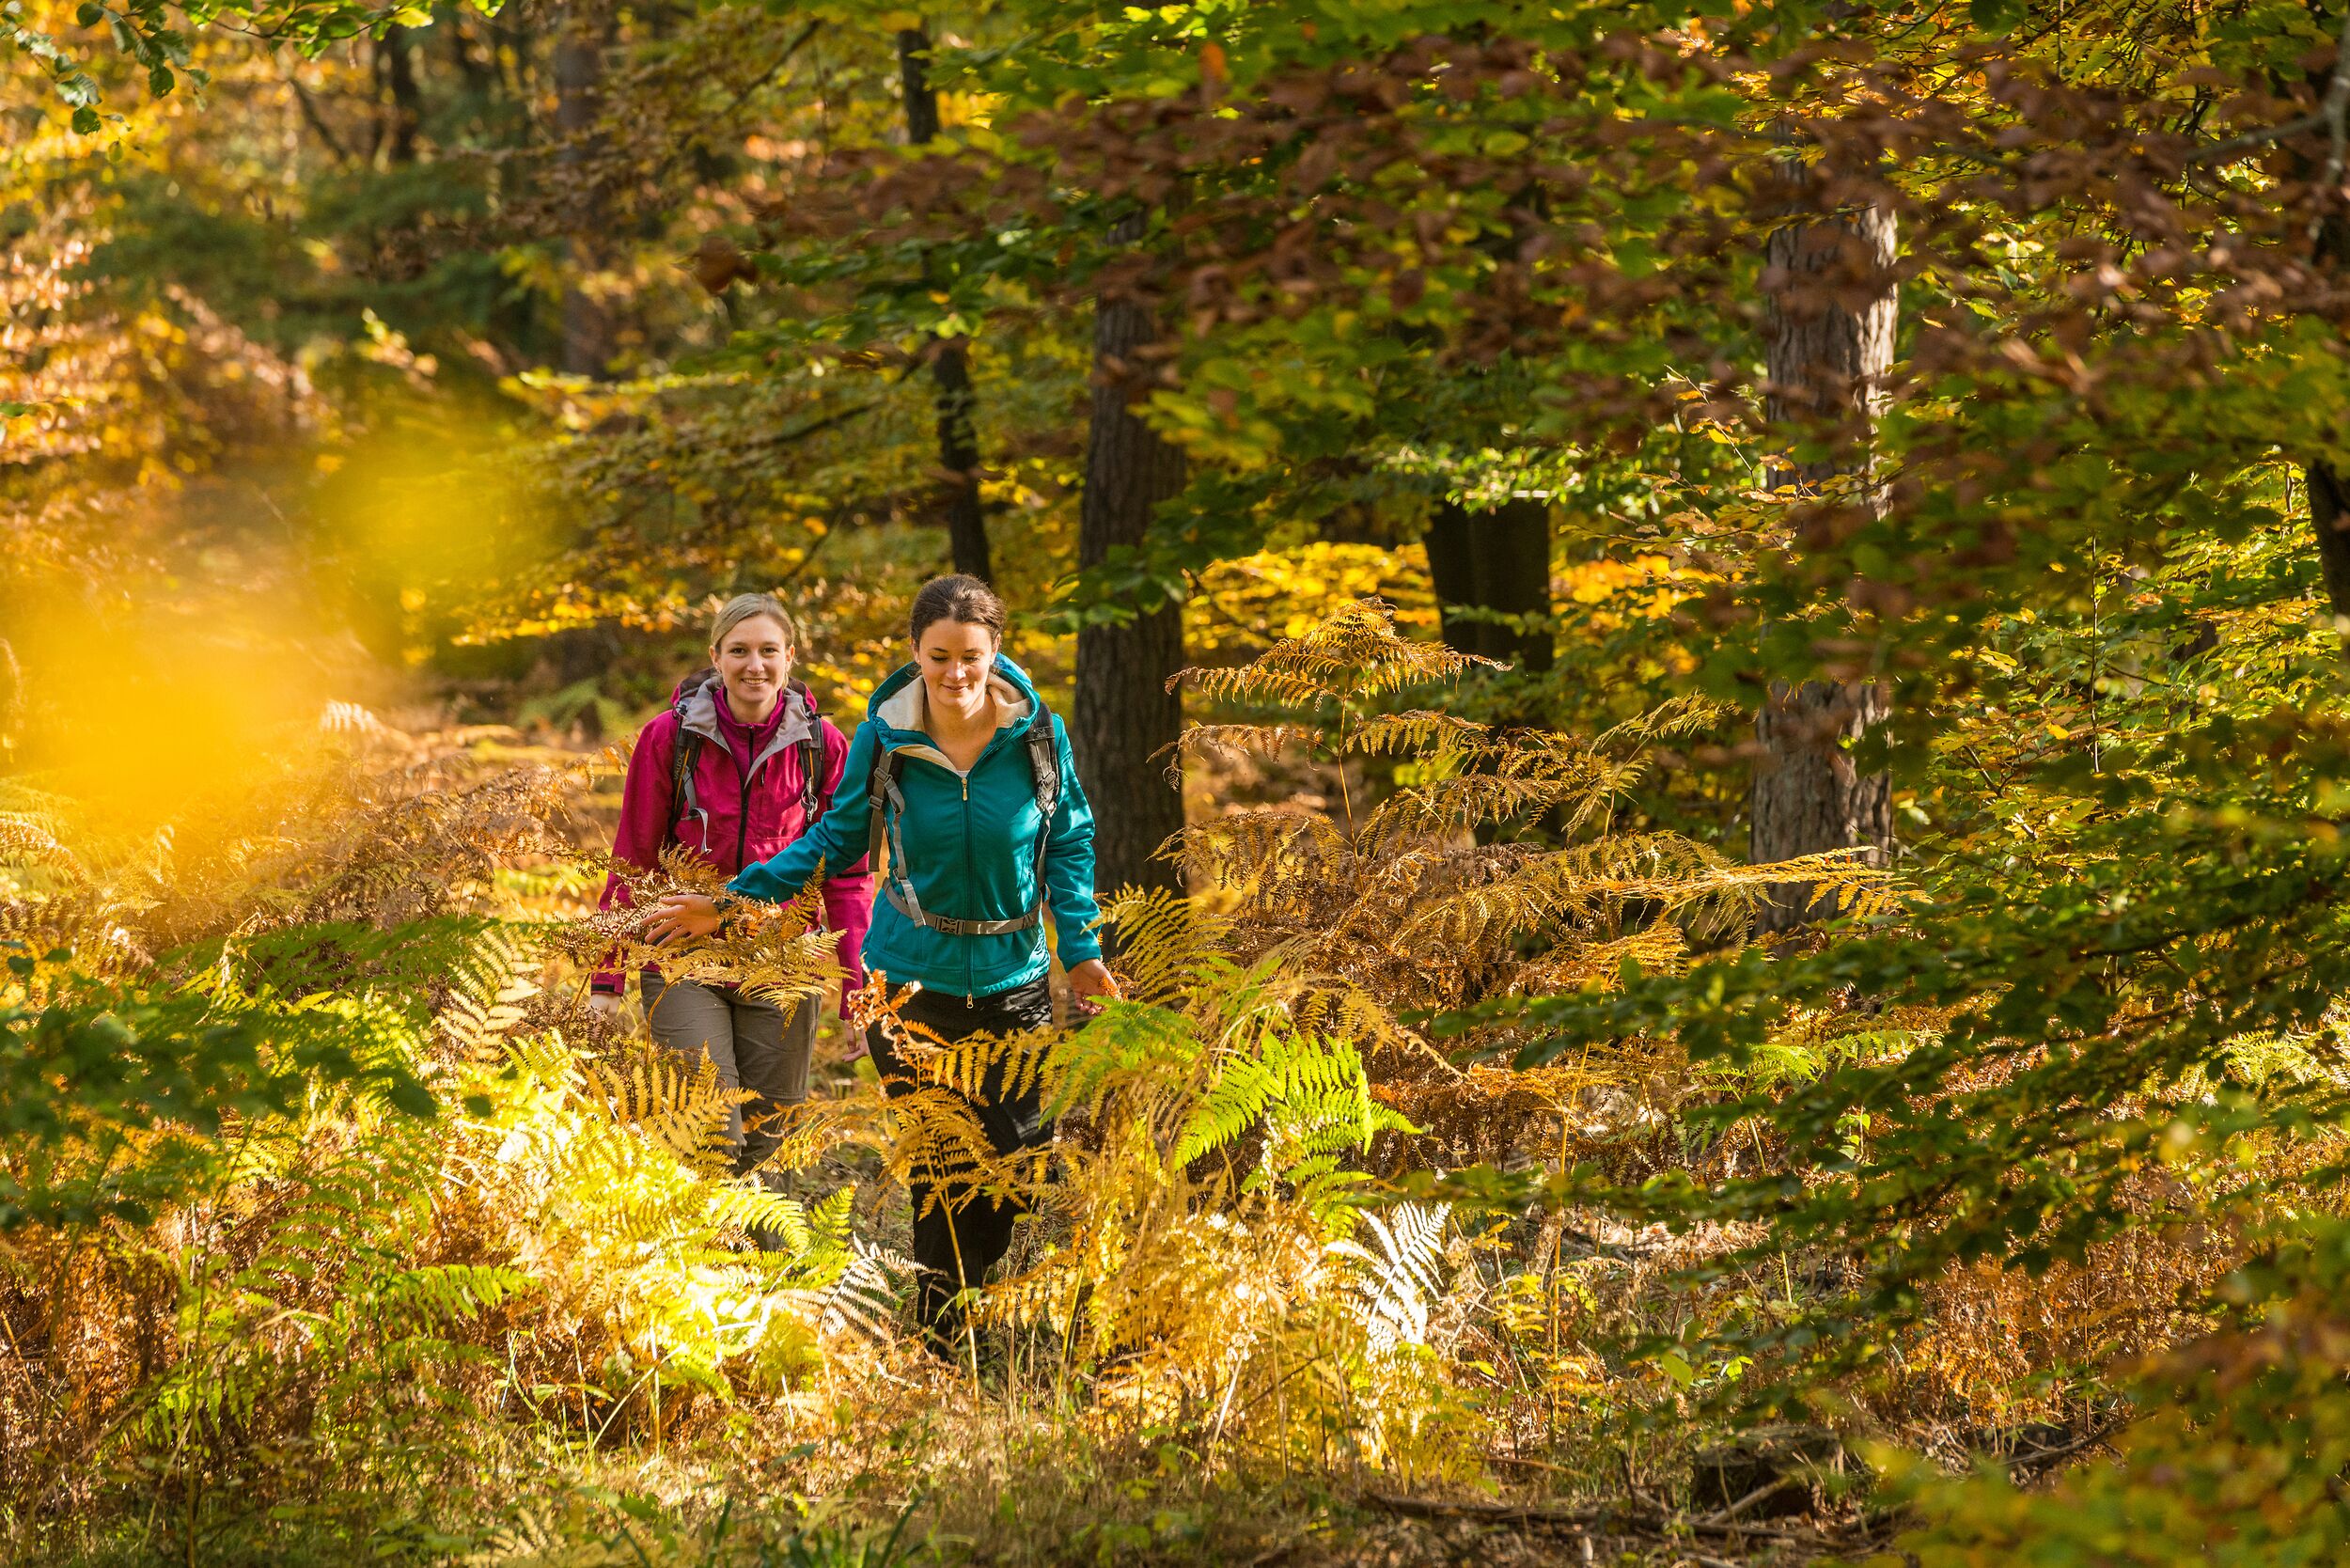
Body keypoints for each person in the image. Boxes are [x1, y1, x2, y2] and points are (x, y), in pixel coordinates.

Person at [650, 574, 1116, 1346]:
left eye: (972, 656)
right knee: (942, 1173)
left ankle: (968, 1307)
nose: (956, 674)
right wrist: (731, 905)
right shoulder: (886, 737)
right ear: (916, 654)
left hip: (1018, 983)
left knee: (1021, 1166)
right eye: (940, 657)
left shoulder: (1040, 737)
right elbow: (834, 843)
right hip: (909, 986)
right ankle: (941, 1337)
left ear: (996, 652)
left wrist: (1083, 946)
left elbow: (1068, 841)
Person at [591, 592, 871, 1234]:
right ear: (715, 658)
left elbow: (849, 877)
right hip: (682, 956)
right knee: (708, 1126)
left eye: (768, 650)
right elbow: (632, 860)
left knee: (770, 1131)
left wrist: (860, 993)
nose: (754, 665)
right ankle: (703, 1270)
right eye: (739, 651)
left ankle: (752, 1271)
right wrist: (606, 978)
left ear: (790, 657)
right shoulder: (671, 739)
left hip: (781, 964)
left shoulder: (824, 748)